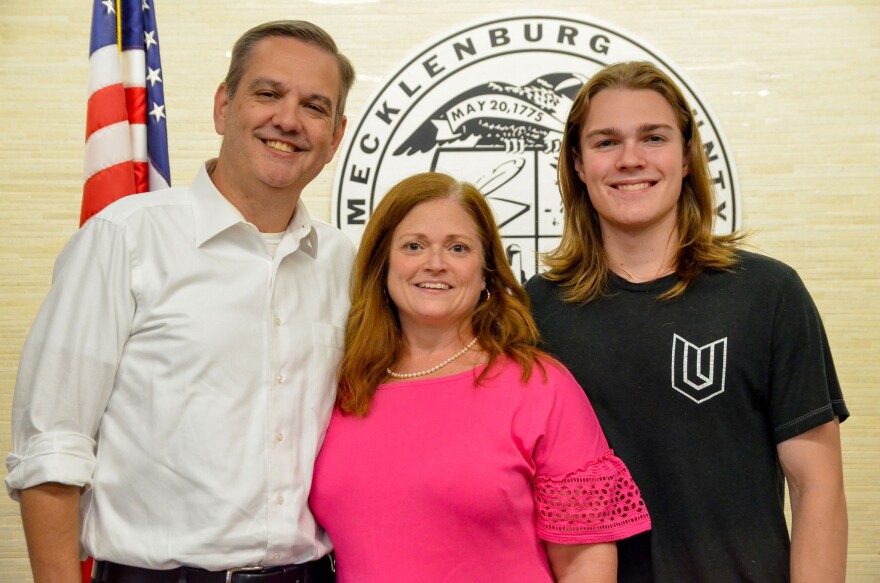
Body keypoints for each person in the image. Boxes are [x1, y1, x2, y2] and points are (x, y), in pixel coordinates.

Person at [6, 20, 355, 583]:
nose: (288, 120)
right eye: (268, 94)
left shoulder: (346, 263)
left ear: (335, 138)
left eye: (314, 106)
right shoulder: (123, 238)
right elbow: (53, 443)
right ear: (223, 106)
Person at [524, 61, 849, 582]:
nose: (631, 159)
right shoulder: (535, 311)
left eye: (653, 137)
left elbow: (818, 488)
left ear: (686, 154)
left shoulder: (767, 294)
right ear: (579, 166)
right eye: (606, 142)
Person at [309, 172, 652, 582]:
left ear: (487, 269)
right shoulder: (345, 385)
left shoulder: (540, 387)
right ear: (383, 263)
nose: (435, 263)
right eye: (414, 246)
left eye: (458, 247)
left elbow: (586, 565)